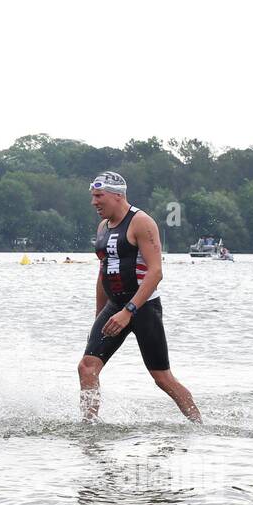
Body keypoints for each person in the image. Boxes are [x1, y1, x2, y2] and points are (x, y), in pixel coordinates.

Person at [78, 171, 201, 423]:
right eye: (93, 197)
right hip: (115, 306)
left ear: (117, 195)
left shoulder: (141, 222)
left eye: (99, 196)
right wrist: (99, 317)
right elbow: (104, 272)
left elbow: (156, 272)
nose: (94, 202)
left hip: (144, 308)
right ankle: (88, 426)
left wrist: (129, 311)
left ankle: (199, 424)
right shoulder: (103, 227)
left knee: (162, 378)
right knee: (87, 367)